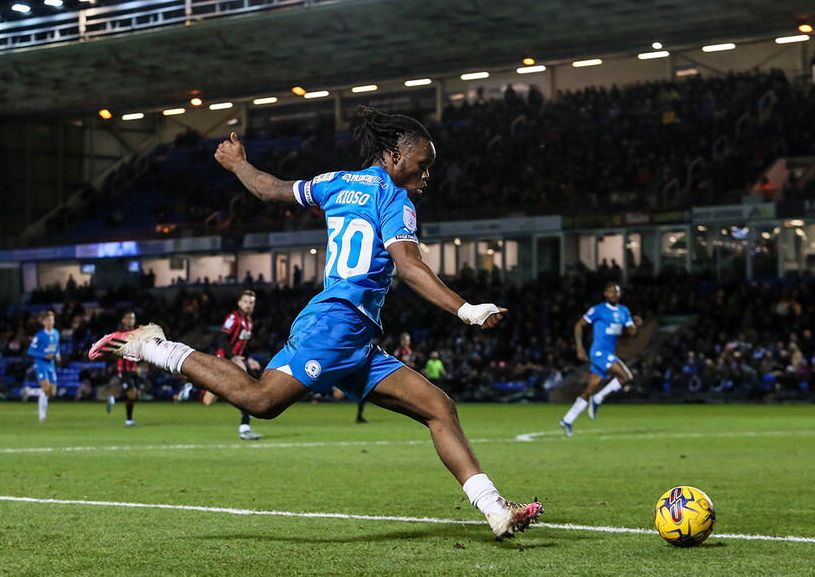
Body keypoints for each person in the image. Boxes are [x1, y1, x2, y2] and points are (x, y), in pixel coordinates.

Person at [90, 107, 542, 539]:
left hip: (358, 337)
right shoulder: (395, 198)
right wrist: (465, 309)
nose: (427, 174)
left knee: (439, 408)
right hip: (335, 325)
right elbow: (408, 266)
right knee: (261, 400)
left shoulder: (336, 182)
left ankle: (495, 510)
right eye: (424, 164)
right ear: (395, 155)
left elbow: (270, 188)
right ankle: (151, 346)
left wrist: (238, 165)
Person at [560, 283, 642, 437]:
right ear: (605, 293)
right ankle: (599, 398)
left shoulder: (624, 311)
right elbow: (579, 325)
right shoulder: (598, 310)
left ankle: (567, 419)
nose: (613, 294)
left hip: (609, 352)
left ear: (619, 294)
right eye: (611, 291)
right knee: (626, 376)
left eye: (616, 292)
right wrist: (579, 347)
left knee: (590, 389)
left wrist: (636, 326)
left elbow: (631, 333)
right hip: (599, 352)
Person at [200, 289, 263, 440]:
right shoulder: (234, 317)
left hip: (235, 362)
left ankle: (245, 428)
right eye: (246, 302)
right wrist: (234, 357)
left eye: (251, 303)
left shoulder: (249, 322)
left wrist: (249, 359)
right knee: (210, 401)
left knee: (246, 392)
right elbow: (222, 339)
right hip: (223, 361)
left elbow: (242, 346)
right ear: (240, 303)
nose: (248, 305)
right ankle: (191, 388)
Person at [107, 311, 142, 426]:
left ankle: (114, 399)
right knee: (131, 393)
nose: (130, 320)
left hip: (134, 368)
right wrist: (119, 369)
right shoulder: (120, 335)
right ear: (123, 320)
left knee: (136, 394)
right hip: (124, 369)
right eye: (128, 318)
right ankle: (129, 419)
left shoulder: (137, 334)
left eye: (132, 318)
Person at [27, 310, 60, 422]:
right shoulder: (39, 336)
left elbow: (56, 347)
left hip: (51, 365)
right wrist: (44, 355)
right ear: (43, 322)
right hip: (41, 364)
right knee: (45, 389)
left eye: (52, 320)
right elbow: (30, 351)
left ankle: (30, 391)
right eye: (48, 320)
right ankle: (42, 416)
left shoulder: (56, 333)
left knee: (52, 392)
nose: (50, 322)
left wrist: (57, 354)